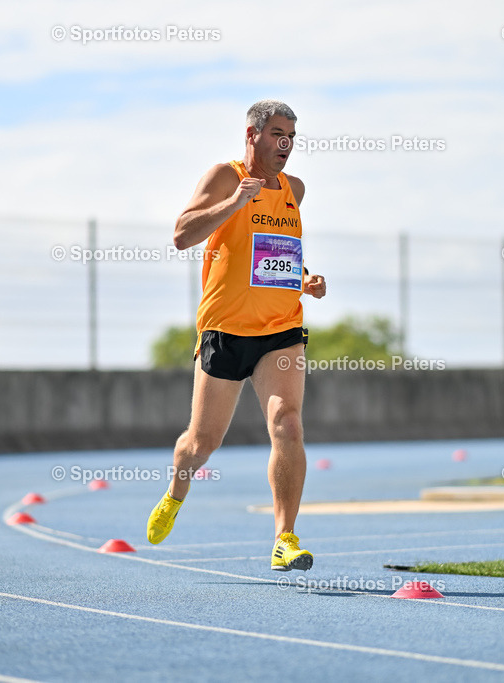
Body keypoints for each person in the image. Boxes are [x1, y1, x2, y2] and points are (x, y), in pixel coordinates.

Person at [146, 100, 326, 572]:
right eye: (277, 135)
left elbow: (274, 256)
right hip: (225, 331)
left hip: (280, 329)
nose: (285, 145)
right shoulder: (224, 177)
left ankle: (285, 538)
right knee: (201, 444)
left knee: (287, 423)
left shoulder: (295, 190)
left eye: (292, 136)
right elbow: (183, 235)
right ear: (253, 134)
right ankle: (175, 491)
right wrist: (235, 202)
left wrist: (304, 279)